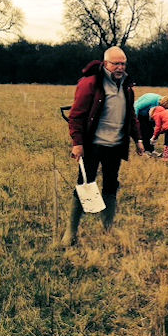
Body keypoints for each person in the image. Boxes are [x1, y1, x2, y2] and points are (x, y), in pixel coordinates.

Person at [61, 46, 144, 246]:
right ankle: (70, 233)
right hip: (93, 146)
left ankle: (107, 230)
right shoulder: (90, 84)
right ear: (105, 63)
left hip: (115, 146)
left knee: (110, 186)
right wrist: (77, 143)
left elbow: (131, 116)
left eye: (123, 63)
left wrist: (138, 139)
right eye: (115, 63)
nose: (120, 67)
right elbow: (76, 116)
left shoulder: (127, 87)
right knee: (84, 185)